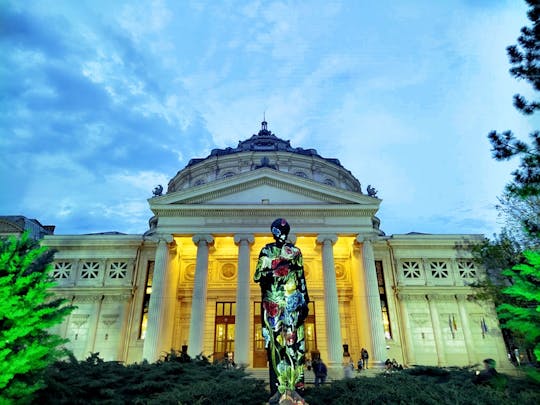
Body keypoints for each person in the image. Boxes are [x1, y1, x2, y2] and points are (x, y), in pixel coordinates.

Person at [254, 218, 310, 399]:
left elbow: (301, 278)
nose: (281, 233)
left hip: (292, 303)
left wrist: (305, 301)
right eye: (279, 230)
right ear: (274, 232)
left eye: (284, 230)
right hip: (273, 304)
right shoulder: (267, 250)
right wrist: (281, 268)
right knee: (276, 347)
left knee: (294, 346)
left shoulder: (295, 251)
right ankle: (278, 391)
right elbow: (259, 276)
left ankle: (295, 390)